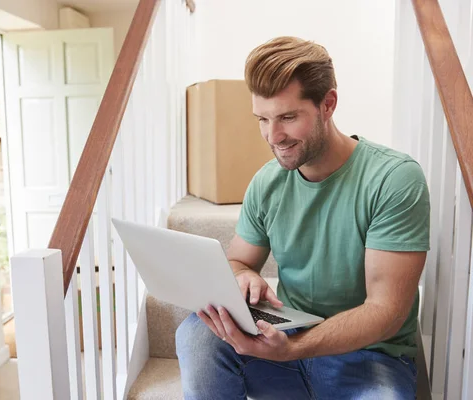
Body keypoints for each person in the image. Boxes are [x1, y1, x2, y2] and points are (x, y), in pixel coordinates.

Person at [175, 36, 430, 399]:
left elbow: (385, 310)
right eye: (262, 119)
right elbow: (237, 260)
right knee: (196, 333)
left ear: (328, 104)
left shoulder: (393, 179)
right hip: (287, 345)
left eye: (287, 117)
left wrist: (294, 349)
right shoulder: (267, 182)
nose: (273, 135)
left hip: (368, 360)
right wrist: (245, 275)